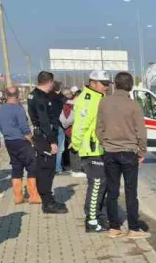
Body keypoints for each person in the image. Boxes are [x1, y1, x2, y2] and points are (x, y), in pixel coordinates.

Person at [97, 71, 149, 239]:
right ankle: (133, 228)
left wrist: (105, 143)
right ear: (130, 86)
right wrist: (141, 151)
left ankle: (114, 228)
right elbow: (141, 131)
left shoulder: (104, 103)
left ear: (115, 84)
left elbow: (99, 128)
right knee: (130, 191)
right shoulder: (134, 105)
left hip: (110, 152)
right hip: (129, 152)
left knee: (112, 191)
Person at [72, 70, 111, 232]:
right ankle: (92, 221)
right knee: (96, 184)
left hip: (100, 148)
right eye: (104, 84)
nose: (106, 87)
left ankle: (100, 216)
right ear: (93, 83)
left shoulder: (98, 97)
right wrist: (76, 145)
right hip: (91, 149)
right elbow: (81, 125)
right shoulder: (88, 99)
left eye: (108, 84)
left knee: (102, 184)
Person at [27, 72, 69, 214]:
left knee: (46, 169)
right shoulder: (40, 98)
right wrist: (52, 141)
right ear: (50, 82)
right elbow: (44, 121)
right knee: (46, 169)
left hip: (42, 136)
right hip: (45, 137)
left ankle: (48, 199)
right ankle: (47, 203)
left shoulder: (34, 94)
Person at [0, 86, 40, 205]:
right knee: (32, 166)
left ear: (6, 96)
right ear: (18, 95)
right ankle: (33, 196)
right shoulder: (18, 109)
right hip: (21, 141)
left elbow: (1, 126)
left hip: (9, 141)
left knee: (16, 167)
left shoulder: (1, 109)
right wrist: (32, 141)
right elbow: (24, 129)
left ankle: (18, 197)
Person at [60, 87, 85, 177]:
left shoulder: (69, 104)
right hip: (71, 130)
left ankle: (72, 166)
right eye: (71, 94)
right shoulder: (68, 105)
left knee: (71, 148)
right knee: (74, 148)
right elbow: (68, 119)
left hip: (72, 129)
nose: (72, 96)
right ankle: (76, 169)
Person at [50, 81, 66, 173]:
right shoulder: (60, 98)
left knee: (50, 147)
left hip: (48, 125)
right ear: (59, 88)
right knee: (59, 149)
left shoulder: (46, 97)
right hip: (58, 125)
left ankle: (50, 167)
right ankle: (58, 168)